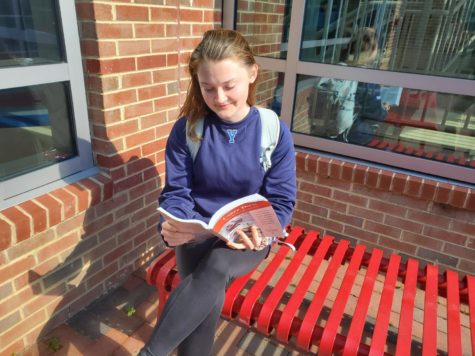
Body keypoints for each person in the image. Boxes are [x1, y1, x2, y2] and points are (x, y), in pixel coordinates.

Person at [138, 29, 296, 356]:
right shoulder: (188, 130)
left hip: (248, 237)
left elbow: (281, 200)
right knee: (203, 305)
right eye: (207, 88)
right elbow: (177, 193)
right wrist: (175, 226)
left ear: (252, 74)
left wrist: (263, 230)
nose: (219, 98)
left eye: (229, 86)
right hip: (198, 233)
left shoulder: (272, 130)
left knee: (217, 266)